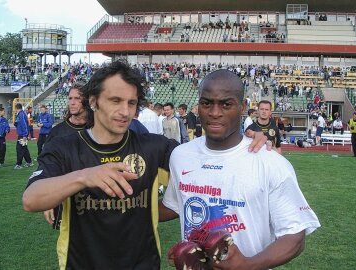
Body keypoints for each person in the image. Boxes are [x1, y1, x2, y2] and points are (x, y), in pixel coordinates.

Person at [23, 62, 269, 269]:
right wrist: (85, 177)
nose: (124, 111)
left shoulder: (154, 148)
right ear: (93, 101)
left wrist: (245, 138)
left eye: (131, 103)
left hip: (143, 264)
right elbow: (31, 199)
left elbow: (202, 168)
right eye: (115, 100)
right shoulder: (64, 147)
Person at [159, 69, 320, 270]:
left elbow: (295, 236)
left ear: (243, 107)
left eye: (226, 104)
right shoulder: (181, 156)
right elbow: (174, 205)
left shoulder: (270, 162)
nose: (215, 113)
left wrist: (247, 265)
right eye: (206, 103)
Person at [43, 82, 89, 230]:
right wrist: (48, 199)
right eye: (70, 98)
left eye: (77, 98)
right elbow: (48, 167)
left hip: (95, 198)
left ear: (88, 100)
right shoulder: (57, 133)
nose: (72, 102)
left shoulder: (98, 127)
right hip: (66, 199)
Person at [14, 103, 33, 169]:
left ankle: (19, 164)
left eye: (15, 109)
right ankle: (29, 162)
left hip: (22, 135)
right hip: (23, 134)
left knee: (19, 149)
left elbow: (24, 125)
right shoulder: (21, 114)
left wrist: (25, 135)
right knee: (24, 148)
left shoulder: (21, 114)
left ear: (16, 108)